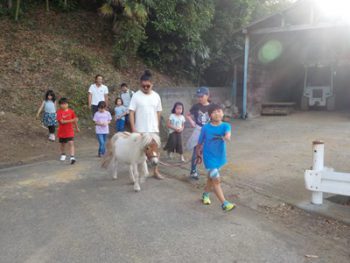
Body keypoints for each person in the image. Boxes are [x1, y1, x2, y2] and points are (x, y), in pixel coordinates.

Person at [196, 104, 235, 211]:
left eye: (219, 111)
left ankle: (205, 195)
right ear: (210, 115)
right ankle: (224, 203)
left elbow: (228, 134)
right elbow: (199, 142)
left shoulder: (226, 125)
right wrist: (198, 153)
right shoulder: (205, 128)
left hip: (220, 157)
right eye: (214, 112)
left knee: (210, 178)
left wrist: (227, 137)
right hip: (209, 157)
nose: (217, 113)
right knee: (216, 179)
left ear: (222, 113)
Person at [129, 70, 163, 179]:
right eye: (143, 86)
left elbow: (158, 111)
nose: (145, 88)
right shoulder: (136, 96)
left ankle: (156, 171)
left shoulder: (156, 96)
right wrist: (133, 128)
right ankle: (139, 172)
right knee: (139, 152)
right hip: (140, 130)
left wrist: (157, 125)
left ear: (152, 84)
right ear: (140, 84)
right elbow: (131, 112)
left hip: (153, 129)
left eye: (148, 86)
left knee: (155, 151)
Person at [186, 87, 211, 179]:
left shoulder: (212, 107)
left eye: (202, 96)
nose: (200, 98)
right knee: (196, 151)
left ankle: (211, 171)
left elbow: (217, 119)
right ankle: (193, 170)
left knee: (208, 151)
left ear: (207, 95)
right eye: (198, 96)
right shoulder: (196, 106)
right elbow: (188, 115)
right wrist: (192, 121)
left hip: (209, 131)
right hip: (198, 130)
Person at [56, 98, 79, 164]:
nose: (64, 105)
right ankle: (63, 154)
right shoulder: (59, 112)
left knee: (71, 143)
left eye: (65, 104)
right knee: (63, 144)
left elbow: (75, 120)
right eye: (62, 104)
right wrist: (72, 120)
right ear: (60, 105)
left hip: (70, 131)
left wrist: (77, 127)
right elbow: (62, 121)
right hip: (62, 131)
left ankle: (72, 157)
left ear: (67, 104)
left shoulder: (71, 111)